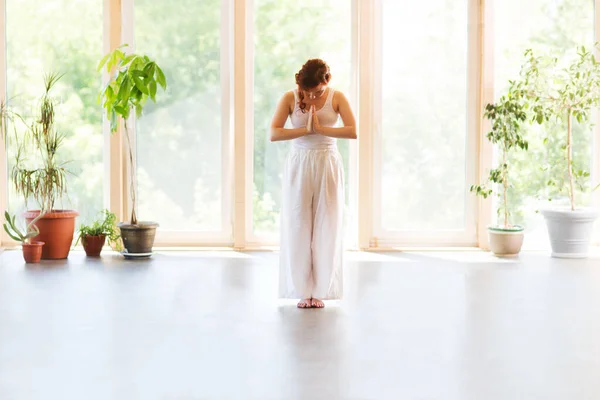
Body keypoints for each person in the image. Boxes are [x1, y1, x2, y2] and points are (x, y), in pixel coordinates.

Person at [270, 59, 357, 309]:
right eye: (306, 91)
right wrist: (305, 131)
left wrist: (321, 129)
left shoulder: (337, 97)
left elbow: (352, 130)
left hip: (327, 162)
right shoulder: (289, 97)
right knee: (298, 223)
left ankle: (320, 290)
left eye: (316, 91)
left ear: (326, 81)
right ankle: (302, 290)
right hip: (299, 162)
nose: (310, 95)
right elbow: (274, 133)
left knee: (327, 223)